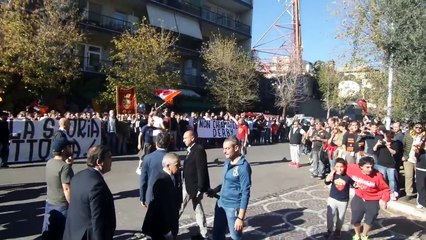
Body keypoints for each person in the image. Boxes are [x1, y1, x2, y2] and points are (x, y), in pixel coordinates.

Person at [63, 145, 116, 240]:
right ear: (99, 162)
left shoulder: (78, 176)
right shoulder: (97, 185)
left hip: (73, 233)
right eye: (109, 157)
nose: (111, 160)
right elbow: (98, 220)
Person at [208, 136, 252, 240]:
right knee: (217, 234)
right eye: (223, 148)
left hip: (233, 208)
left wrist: (240, 218)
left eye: (227, 148)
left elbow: (245, 193)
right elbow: (227, 182)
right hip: (221, 204)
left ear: (236, 148)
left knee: (235, 237)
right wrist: (215, 190)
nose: (224, 152)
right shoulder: (227, 162)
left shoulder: (243, 167)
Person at [346, 156, 391, 240]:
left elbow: (386, 189)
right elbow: (341, 166)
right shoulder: (353, 168)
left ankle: (364, 235)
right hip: (359, 196)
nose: (370, 169)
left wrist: (384, 200)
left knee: (370, 219)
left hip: (373, 199)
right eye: (367, 167)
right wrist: (332, 174)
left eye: (372, 166)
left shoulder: (378, 176)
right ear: (361, 167)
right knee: (355, 218)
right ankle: (357, 234)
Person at [41, 133, 75, 239]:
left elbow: (57, 176)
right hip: (62, 205)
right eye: (69, 147)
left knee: (49, 233)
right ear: (63, 150)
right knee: (61, 234)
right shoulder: (65, 167)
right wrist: (74, 205)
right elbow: (66, 189)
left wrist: (68, 165)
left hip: (50, 202)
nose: (71, 148)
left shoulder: (50, 162)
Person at [142, 153, 182, 240]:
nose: (179, 167)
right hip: (160, 227)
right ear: (168, 165)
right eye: (177, 165)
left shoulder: (174, 176)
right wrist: (167, 230)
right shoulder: (161, 180)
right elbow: (162, 207)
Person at [180, 130, 210, 239]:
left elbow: (201, 170)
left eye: (185, 138)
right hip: (189, 184)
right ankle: (203, 231)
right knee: (197, 208)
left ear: (192, 138)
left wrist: (201, 188)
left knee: (179, 207)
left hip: (192, 186)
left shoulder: (198, 150)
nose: (183, 140)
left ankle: (170, 230)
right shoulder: (191, 150)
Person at [324, 158, 353, 239]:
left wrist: (358, 185)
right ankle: (329, 230)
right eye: (337, 166)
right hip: (332, 198)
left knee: (340, 217)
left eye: (341, 166)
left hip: (343, 200)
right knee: (330, 215)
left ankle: (338, 230)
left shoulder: (347, 176)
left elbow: (354, 183)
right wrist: (328, 177)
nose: (339, 168)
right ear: (335, 167)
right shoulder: (333, 174)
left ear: (345, 167)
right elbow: (326, 182)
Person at [139, 132, 170, 207]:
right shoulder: (172, 158)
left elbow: (143, 180)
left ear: (156, 143)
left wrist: (142, 197)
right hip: (168, 195)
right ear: (168, 143)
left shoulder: (147, 158)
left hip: (151, 195)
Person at [373, 130, 400, 200]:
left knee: (392, 180)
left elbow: (394, 152)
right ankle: (382, 192)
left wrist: (388, 146)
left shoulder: (395, 143)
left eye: (388, 137)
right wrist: (377, 144)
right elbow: (374, 150)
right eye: (385, 136)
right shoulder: (381, 142)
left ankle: (392, 193)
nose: (386, 138)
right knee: (383, 179)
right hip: (381, 163)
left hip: (391, 164)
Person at [402, 123, 425, 200]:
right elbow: (404, 145)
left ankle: (421, 193)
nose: (418, 128)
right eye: (417, 127)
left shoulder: (424, 136)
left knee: (419, 178)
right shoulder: (408, 135)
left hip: (419, 160)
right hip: (409, 159)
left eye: (420, 127)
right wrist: (404, 156)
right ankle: (409, 193)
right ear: (413, 127)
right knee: (409, 177)